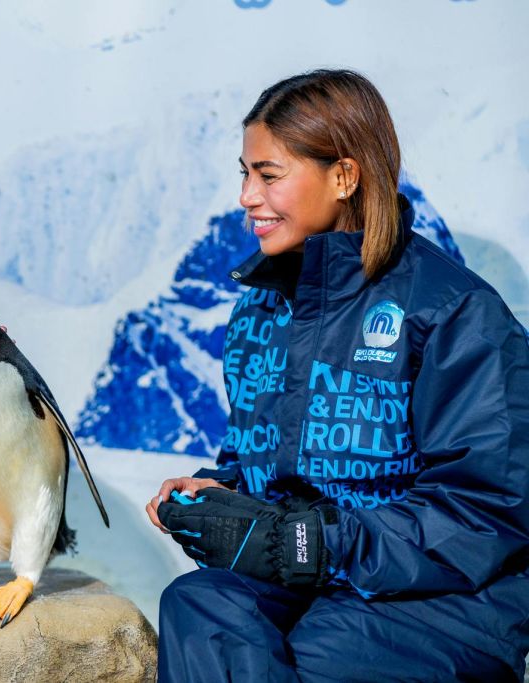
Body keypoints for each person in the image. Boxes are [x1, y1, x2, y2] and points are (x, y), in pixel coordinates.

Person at [145, 70, 529, 682]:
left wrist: (312, 543)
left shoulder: (451, 311)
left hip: (443, 604)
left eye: (268, 176)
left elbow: (488, 510)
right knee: (197, 606)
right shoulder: (260, 308)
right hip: (308, 581)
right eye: (244, 174)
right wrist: (216, 494)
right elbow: (258, 461)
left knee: (314, 649)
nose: (246, 196)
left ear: (344, 176)